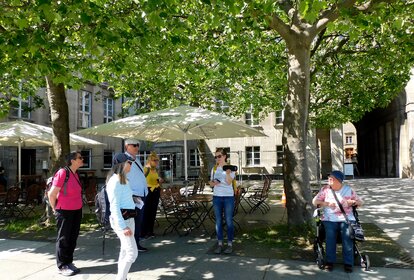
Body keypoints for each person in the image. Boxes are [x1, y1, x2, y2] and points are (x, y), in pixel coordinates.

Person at [312, 170, 363, 273]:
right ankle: (330, 262)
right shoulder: (325, 190)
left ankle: (348, 263)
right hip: (329, 218)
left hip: (346, 218)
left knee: (348, 235)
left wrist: (353, 202)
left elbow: (361, 202)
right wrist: (326, 203)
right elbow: (314, 201)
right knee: (330, 235)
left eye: (332, 178)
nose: (329, 180)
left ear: (339, 180)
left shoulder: (348, 190)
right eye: (329, 178)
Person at [47, 151, 84, 276]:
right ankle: (62, 265)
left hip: (76, 210)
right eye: (80, 157)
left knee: (72, 237)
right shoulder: (63, 172)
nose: (82, 159)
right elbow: (51, 194)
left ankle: (68, 262)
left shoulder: (75, 173)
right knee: (63, 238)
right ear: (72, 160)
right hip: (64, 211)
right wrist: (55, 209)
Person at [106, 153, 138, 280]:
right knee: (132, 253)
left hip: (129, 218)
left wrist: (134, 200)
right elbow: (114, 207)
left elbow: (123, 199)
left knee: (125, 251)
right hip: (123, 221)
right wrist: (123, 227)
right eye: (129, 163)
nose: (131, 165)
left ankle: (121, 277)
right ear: (123, 164)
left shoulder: (123, 179)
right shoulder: (115, 181)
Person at [123, 138, 149, 252]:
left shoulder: (136, 159)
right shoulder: (124, 159)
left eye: (138, 145)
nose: (137, 148)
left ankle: (136, 243)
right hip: (133, 195)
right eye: (134, 145)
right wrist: (130, 194)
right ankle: (133, 245)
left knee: (139, 221)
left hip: (141, 194)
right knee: (134, 221)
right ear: (127, 146)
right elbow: (122, 178)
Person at [209, 148, 236, 254]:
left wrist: (228, 173)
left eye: (219, 156)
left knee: (229, 220)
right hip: (217, 197)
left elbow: (229, 182)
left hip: (228, 197)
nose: (217, 158)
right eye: (216, 157)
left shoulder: (231, 168)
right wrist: (214, 183)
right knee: (218, 221)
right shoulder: (214, 168)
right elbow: (210, 183)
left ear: (225, 156)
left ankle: (229, 244)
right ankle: (220, 243)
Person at [141, 151, 164, 239]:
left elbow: (156, 179)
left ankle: (150, 231)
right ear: (150, 160)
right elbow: (142, 180)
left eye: (157, 160)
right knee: (146, 212)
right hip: (148, 192)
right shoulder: (146, 169)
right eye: (155, 160)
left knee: (153, 212)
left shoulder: (155, 170)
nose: (156, 162)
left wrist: (159, 180)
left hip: (156, 191)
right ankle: (144, 232)